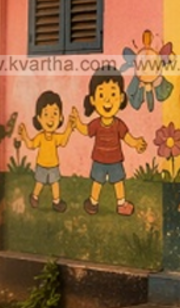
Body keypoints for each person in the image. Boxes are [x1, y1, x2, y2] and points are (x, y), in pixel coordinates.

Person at [72, 65, 147, 216]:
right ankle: (93, 203)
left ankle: (121, 204)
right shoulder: (96, 124)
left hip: (115, 160)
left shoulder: (118, 124)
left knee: (118, 182)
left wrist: (136, 143)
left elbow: (127, 137)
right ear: (93, 100)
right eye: (101, 95)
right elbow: (86, 130)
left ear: (120, 97)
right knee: (97, 182)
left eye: (113, 94)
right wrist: (77, 122)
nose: (107, 100)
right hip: (99, 159)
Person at [18, 90, 74, 213]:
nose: (51, 119)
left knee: (55, 184)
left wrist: (69, 127)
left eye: (54, 113)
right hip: (42, 165)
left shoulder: (55, 137)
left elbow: (64, 141)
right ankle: (34, 196)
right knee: (39, 183)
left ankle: (56, 202)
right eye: (46, 114)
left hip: (53, 165)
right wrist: (25, 135)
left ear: (60, 117)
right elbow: (31, 145)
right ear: (39, 118)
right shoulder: (40, 137)